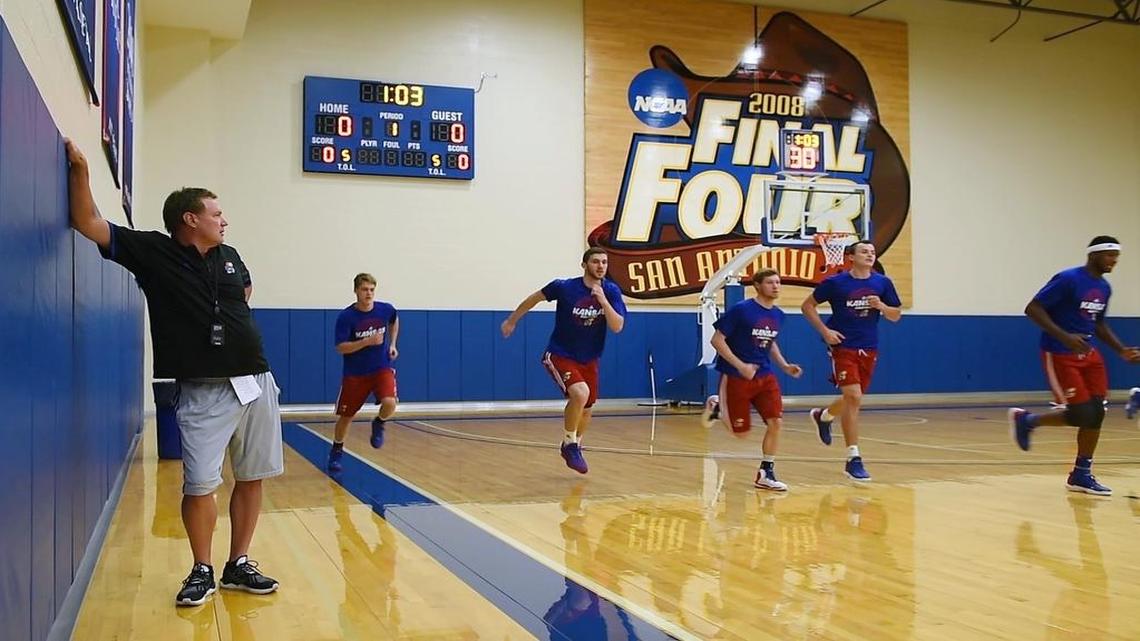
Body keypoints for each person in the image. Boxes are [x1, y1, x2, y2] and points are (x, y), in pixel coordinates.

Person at [65, 140, 282, 606]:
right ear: (190, 219)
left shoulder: (230, 254)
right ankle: (202, 568)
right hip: (202, 390)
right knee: (200, 483)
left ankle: (238, 564)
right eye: (216, 214)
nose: (224, 220)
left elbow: (244, 292)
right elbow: (88, 222)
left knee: (252, 475)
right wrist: (81, 169)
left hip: (255, 381)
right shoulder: (153, 252)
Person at [1008, 236, 1140, 495]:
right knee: (1081, 414)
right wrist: (1064, 337)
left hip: (1089, 354)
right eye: (1109, 255)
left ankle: (1081, 474)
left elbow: (1098, 323)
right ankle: (1028, 420)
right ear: (1094, 254)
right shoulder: (1068, 279)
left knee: (1097, 413)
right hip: (1059, 352)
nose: (1114, 261)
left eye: (1117, 256)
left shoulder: (1104, 287)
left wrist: (1121, 350)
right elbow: (1032, 308)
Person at [500, 247, 627, 474]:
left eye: (604, 262)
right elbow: (534, 298)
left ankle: (574, 444)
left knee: (587, 408)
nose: (601, 266)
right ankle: (569, 444)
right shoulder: (564, 287)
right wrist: (512, 320)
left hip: (590, 357)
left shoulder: (611, 291)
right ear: (584, 265)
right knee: (580, 393)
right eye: (596, 261)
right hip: (560, 354)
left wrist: (603, 301)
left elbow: (617, 326)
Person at [801, 240, 902, 482]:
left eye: (872, 252)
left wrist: (882, 306)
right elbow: (807, 306)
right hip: (842, 346)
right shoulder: (836, 283)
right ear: (851, 257)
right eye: (864, 251)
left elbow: (896, 315)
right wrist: (825, 331)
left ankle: (824, 416)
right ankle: (853, 459)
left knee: (852, 398)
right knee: (854, 397)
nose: (869, 255)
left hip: (869, 347)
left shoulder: (882, 283)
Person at [700, 269, 803, 491]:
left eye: (778, 282)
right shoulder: (742, 310)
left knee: (776, 422)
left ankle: (766, 472)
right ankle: (717, 406)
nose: (775, 286)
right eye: (770, 282)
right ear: (757, 285)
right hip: (736, 376)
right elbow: (717, 340)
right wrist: (741, 366)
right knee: (740, 433)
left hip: (764, 376)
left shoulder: (778, 315)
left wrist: (784, 365)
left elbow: (770, 342)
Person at [327, 273, 399, 472]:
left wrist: (392, 344)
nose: (369, 293)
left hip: (381, 368)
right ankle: (337, 450)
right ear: (356, 291)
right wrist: (366, 342)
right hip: (355, 374)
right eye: (365, 289)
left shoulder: (385, 309)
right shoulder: (346, 317)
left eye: (372, 290)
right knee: (346, 417)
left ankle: (379, 422)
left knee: (390, 403)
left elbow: (394, 319)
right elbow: (341, 347)